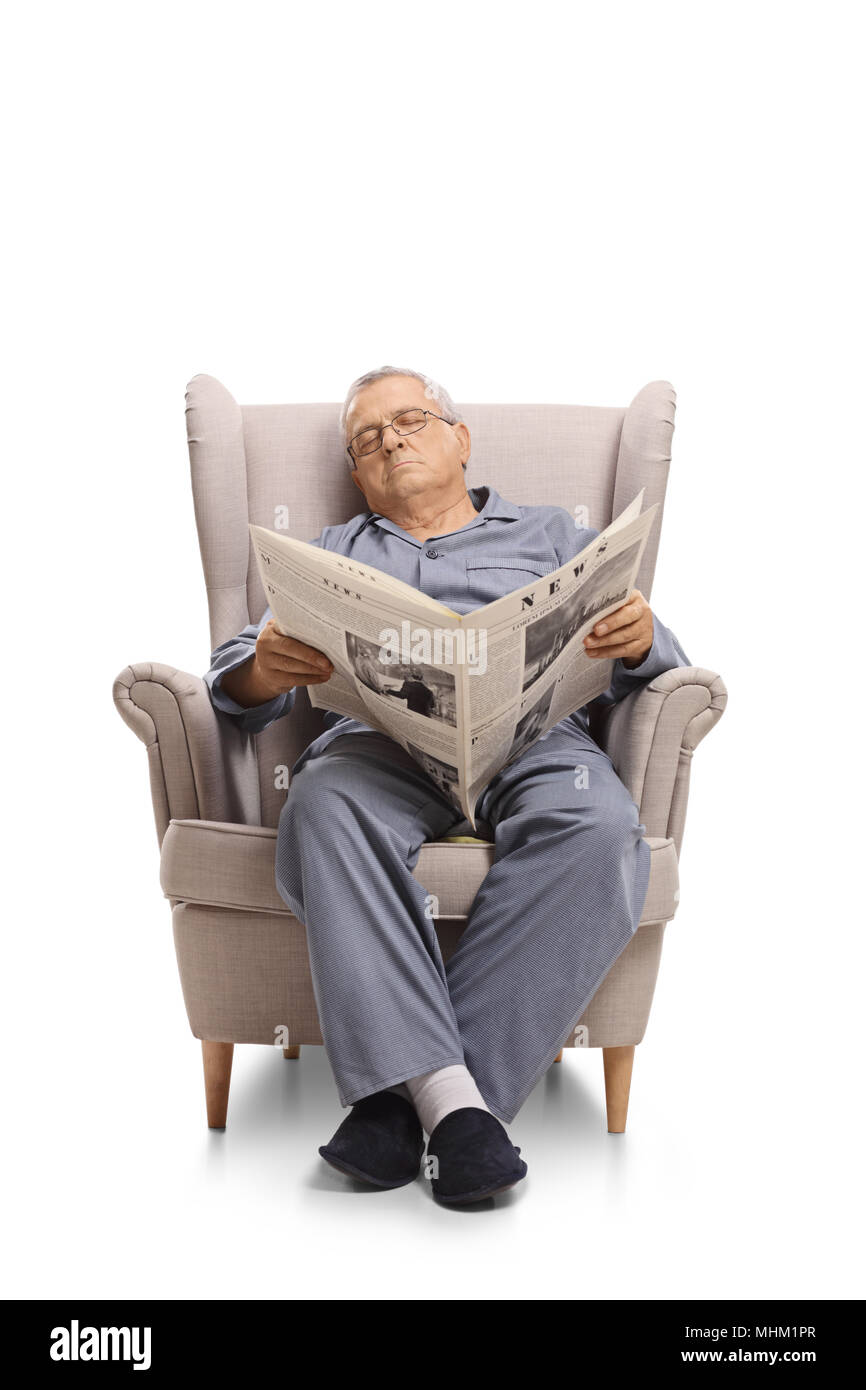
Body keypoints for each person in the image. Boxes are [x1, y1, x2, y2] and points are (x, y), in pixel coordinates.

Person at [204, 365, 691, 1204]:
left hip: (540, 741)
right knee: (321, 803)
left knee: (603, 832)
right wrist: (260, 670)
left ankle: (400, 1101)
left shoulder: (549, 535)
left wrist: (641, 638)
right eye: (367, 439)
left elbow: (659, 662)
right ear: (358, 474)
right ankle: (460, 1116)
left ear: (460, 440)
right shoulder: (332, 553)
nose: (389, 439)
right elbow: (231, 686)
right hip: (378, 747)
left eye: (410, 420)